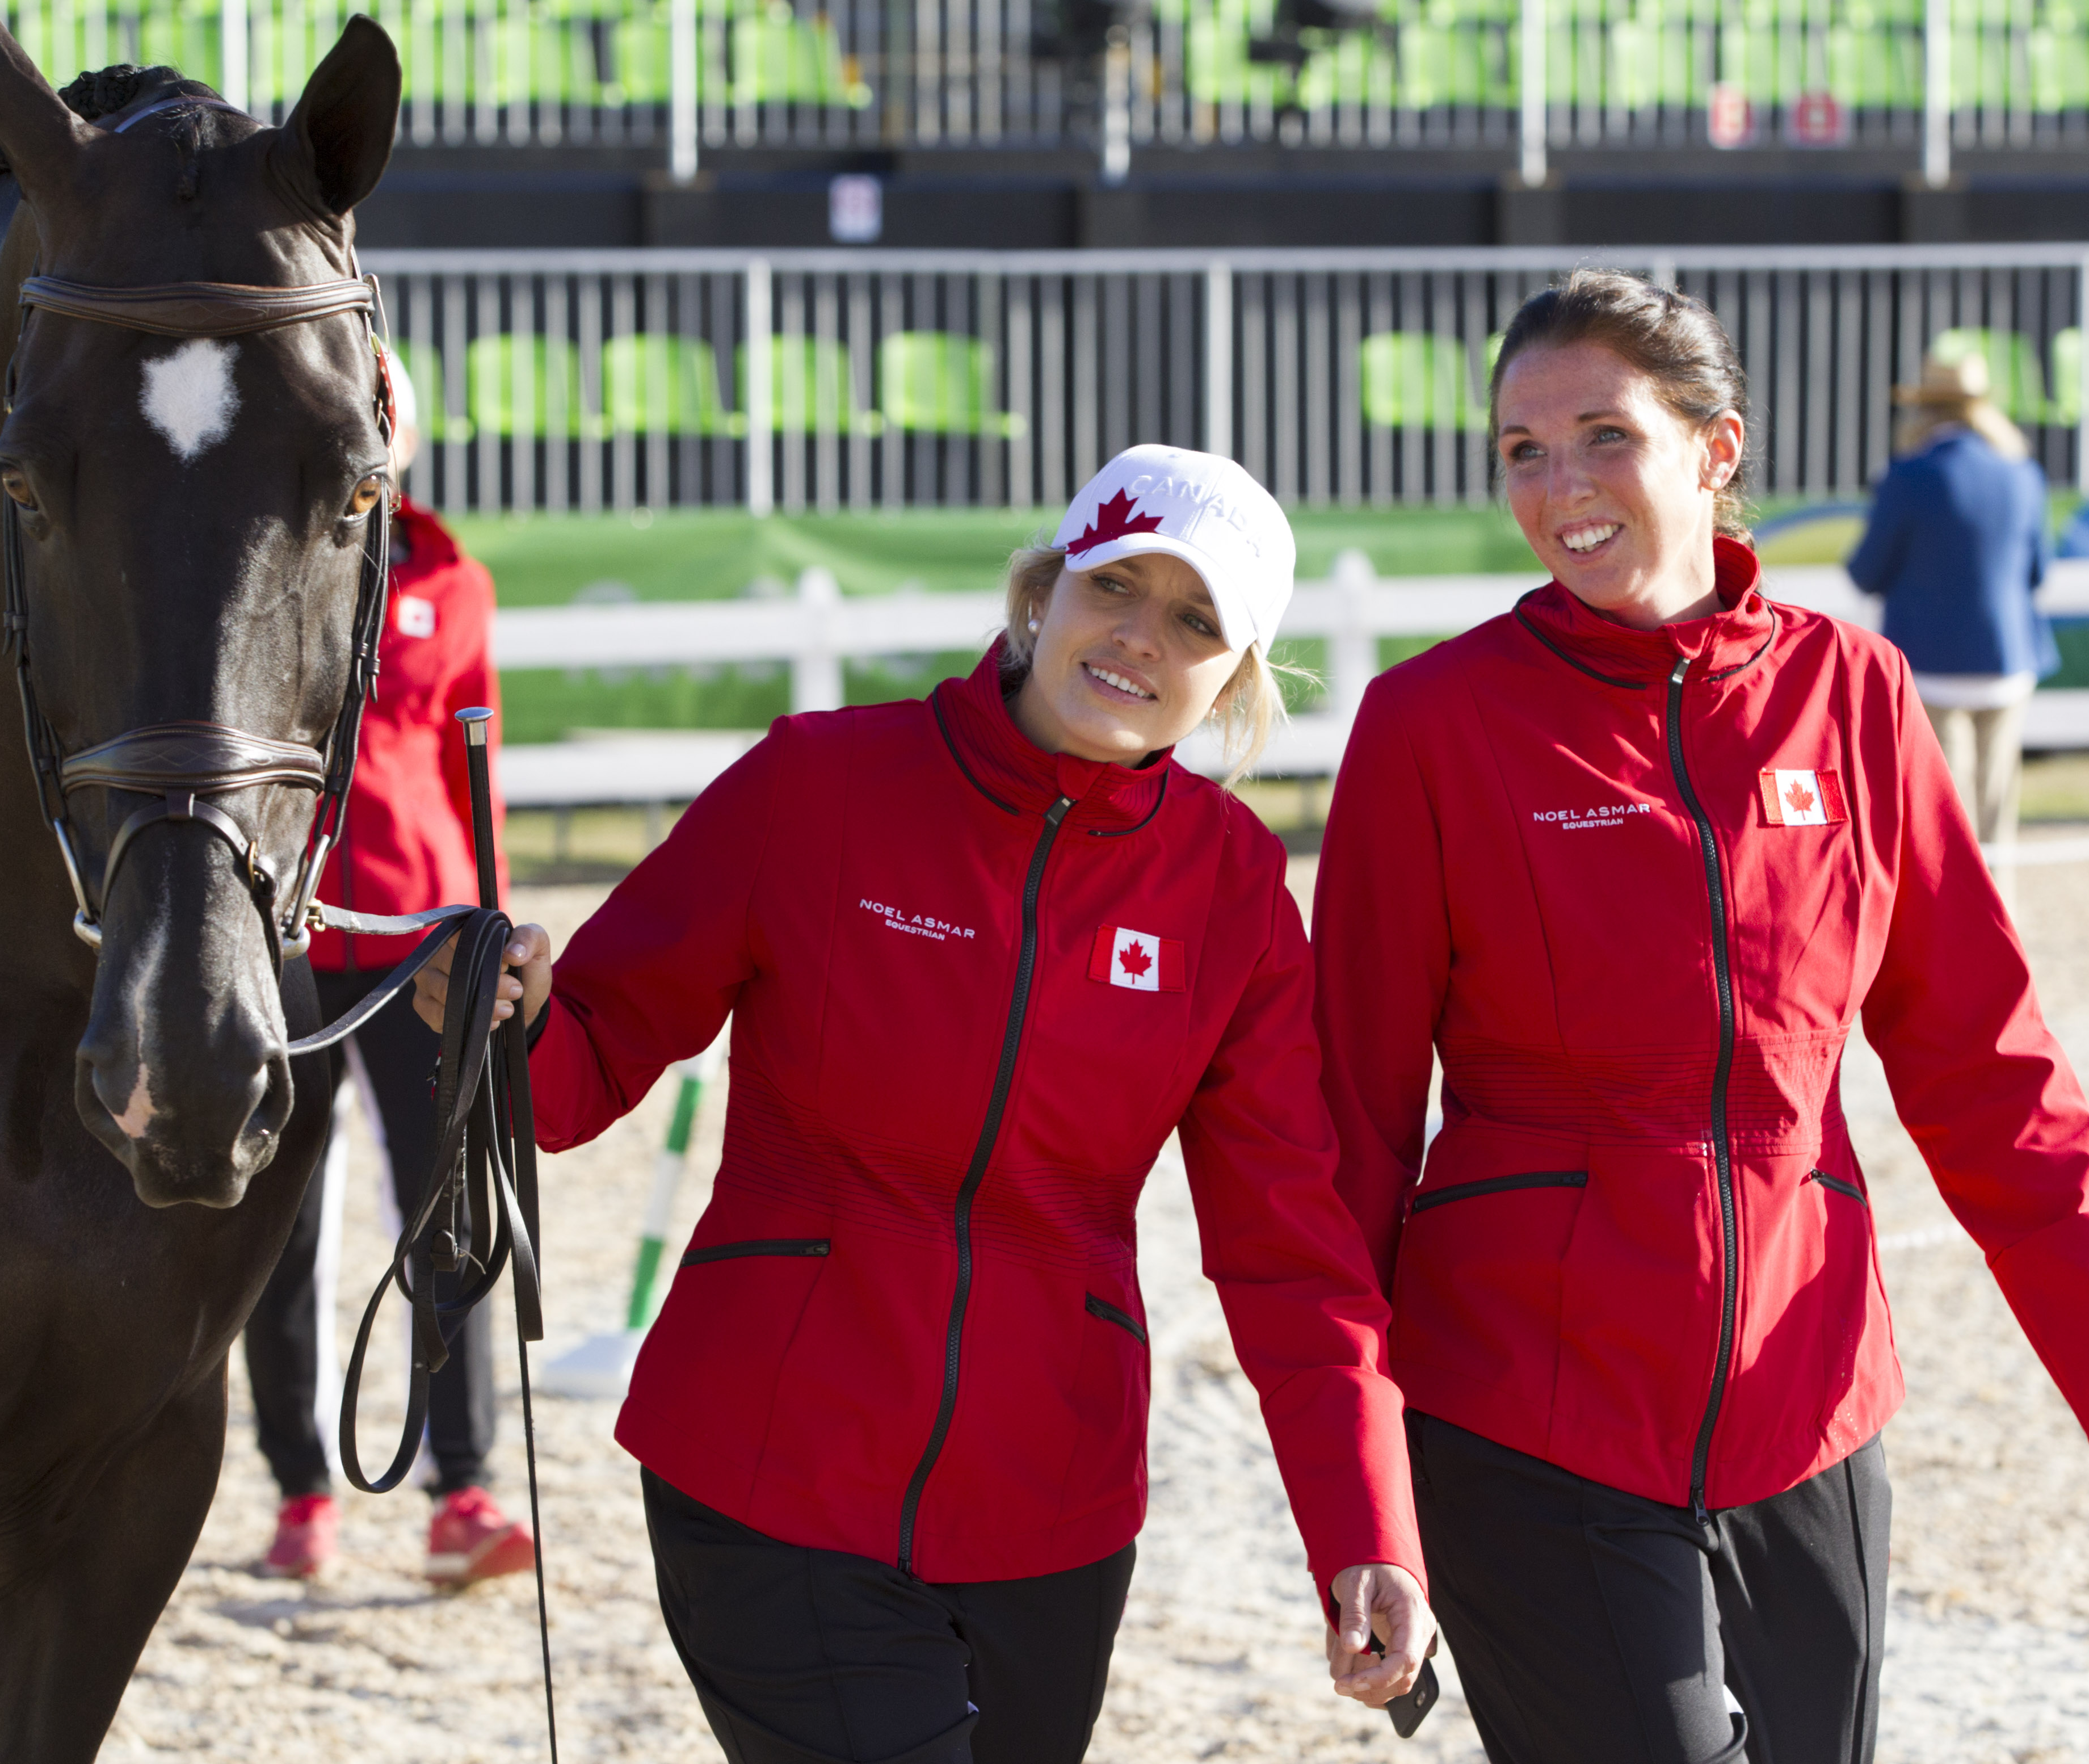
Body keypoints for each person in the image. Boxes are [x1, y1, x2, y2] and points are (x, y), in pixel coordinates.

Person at [1312, 271, 2089, 1764]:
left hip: (1811, 1393)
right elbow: (1346, 1123)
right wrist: (1352, 1499)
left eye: (1602, 436)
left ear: (1714, 450)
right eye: (1521, 450)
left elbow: (1987, 1065)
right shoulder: (1432, 723)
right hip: (1523, 1411)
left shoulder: (1851, 694)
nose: (1556, 488)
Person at [429, 446, 1437, 1762]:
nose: (1137, 637)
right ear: (1041, 591)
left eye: (1193, 622)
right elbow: (584, 1066)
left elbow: (1294, 1254)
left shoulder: (1235, 889)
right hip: (769, 1462)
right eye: (1114, 586)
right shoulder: (817, 785)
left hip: (1055, 1513)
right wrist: (506, 1018)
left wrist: (1369, 1538)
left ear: (1233, 676)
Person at [244, 358, 537, 1590]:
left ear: (402, 435)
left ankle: (461, 1486)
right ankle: (303, 1492)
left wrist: (498, 931)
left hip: (427, 940)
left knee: (449, 1213)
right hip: (289, 936)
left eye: (381, 416)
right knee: (276, 1228)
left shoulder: (453, 579)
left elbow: (480, 763)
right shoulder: (258, 562)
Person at [1846, 349, 2057, 891]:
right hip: (2009, 657)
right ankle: (2002, 915)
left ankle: (1961, 920)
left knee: (1949, 806)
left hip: (1930, 661)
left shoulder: (1911, 475)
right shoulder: (2022, 472)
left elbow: (1868, 572)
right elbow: (2038, 570)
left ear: (1924, 411)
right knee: (1996, 806)